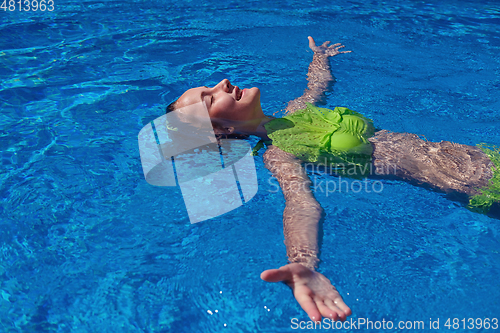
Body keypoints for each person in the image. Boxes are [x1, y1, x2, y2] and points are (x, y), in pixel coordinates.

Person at [166, 36, 500, 322]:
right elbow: (301, 205)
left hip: (475, 155)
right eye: (210, 98)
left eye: (209, 87)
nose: (221, 83)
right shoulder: (278, 154)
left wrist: (320, 57)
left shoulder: (295, 110)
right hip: (472, 184)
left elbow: (317, 86)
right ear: (222, 130)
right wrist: (302, 263)